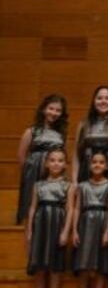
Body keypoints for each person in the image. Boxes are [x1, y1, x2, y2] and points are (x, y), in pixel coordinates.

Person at [25, 147, 73, 288]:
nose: (55, 163)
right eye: (52, 160)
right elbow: (32, 208)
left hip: (57, 224)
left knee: (55, 265)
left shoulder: (69, 186)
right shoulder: (38, 185)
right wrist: (29, 229)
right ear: (46, 163)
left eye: (60, 160)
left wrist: (65, 231)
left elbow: (71, 210)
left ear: (65, 165)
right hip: (41, 224)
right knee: (39, 265)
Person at [71, 151, 108, 288]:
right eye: (94, 162)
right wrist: (74, 230)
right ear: (89, 165)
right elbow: (76, 208)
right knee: (83, 265)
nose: (97, 165)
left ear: (107, 166)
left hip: (102, 223)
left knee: (100, 266)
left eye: (101, 162)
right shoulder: (82, 186)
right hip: (85, 224)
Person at [16, 95, 68, 225]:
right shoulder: (31, 131)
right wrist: (28, 172)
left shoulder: (61, 134)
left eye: (58, 110)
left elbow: (64, 154)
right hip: (33, 171)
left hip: (53, 171)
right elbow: (21, 155)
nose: (54, 113)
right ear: (44, 109)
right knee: (31, 200)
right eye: (51, 108)